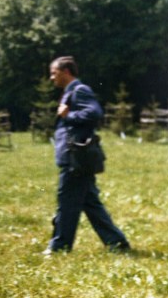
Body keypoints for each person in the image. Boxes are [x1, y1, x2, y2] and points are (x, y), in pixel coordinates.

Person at [44, 56, 131, 254]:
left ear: (66, 72)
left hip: (76, 159)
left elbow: (94, 113)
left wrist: (69, 115)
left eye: (54, 73)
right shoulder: (70, 92)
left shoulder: (79, 90)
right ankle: (117, 242)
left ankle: (59, 247)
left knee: (66, 203)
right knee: (90, 203)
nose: (51, 78)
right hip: (75, 158)